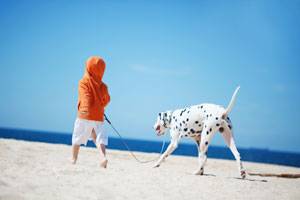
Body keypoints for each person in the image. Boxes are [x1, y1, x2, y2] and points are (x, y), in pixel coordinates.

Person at [71, 56, 110, 168]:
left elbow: (85, 97)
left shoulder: (83, 82)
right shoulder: (103, 86)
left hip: (85, 114)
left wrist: (86, 110)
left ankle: (73, 159)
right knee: (99, 138)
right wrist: (100, 107)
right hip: (98, 116)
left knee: (77, 137)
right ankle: (103, 157)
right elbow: (107, 99)